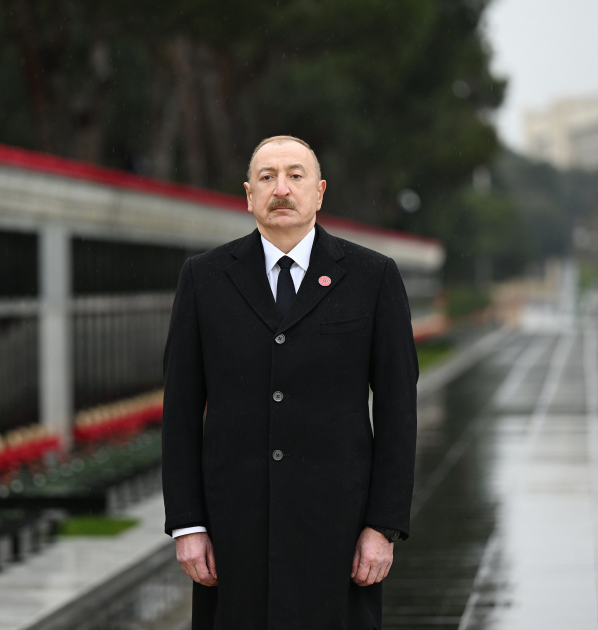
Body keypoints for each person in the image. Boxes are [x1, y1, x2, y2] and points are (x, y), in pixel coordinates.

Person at [162, 135, 418, 629]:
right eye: (267, 177)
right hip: (233, 531)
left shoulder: (372, 277)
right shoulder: (204, 278)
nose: (282, 188)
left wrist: (383, 526)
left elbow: (397, 412)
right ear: (249, 194)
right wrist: (188, 526)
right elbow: (180, 409)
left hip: (337, 530)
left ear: (319, 192)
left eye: (295, 176)